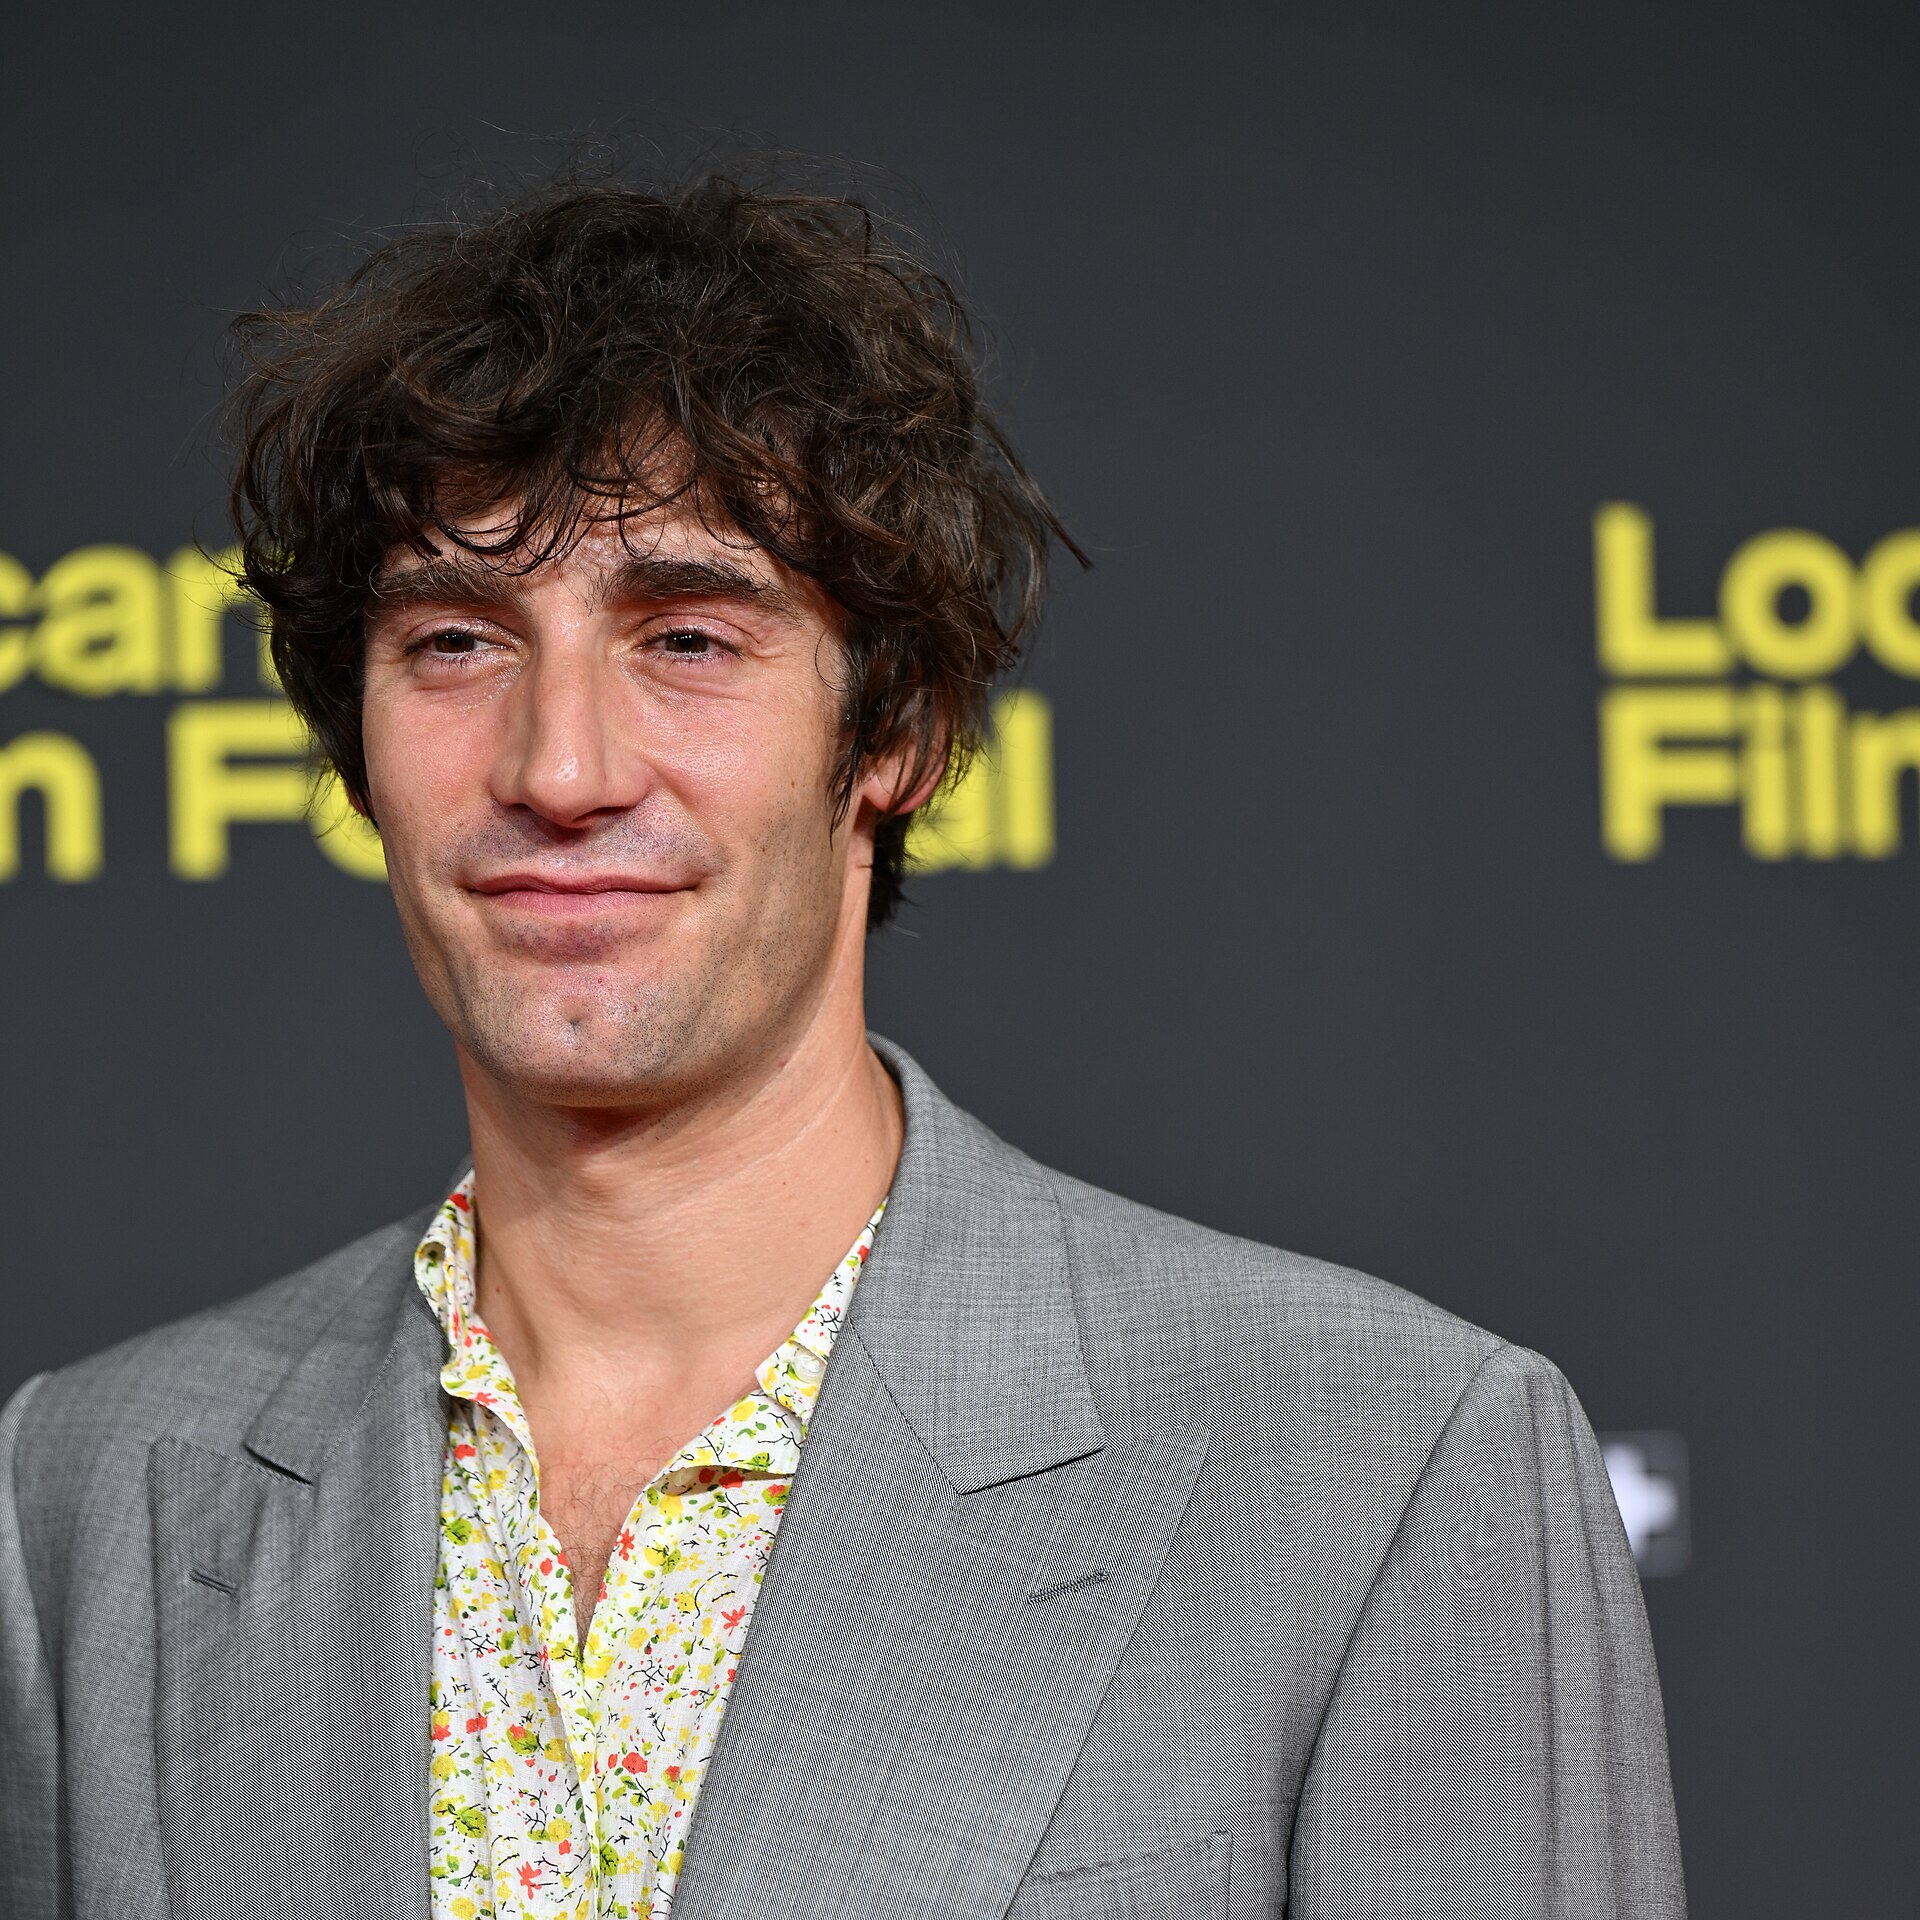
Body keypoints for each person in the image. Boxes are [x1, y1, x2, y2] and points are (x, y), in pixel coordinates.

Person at [0, 177, 1683, 1920]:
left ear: (901, 734)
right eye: (455, 641)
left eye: (687, 637)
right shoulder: (87, 1498)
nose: (559, 767)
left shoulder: (1384, 1470)